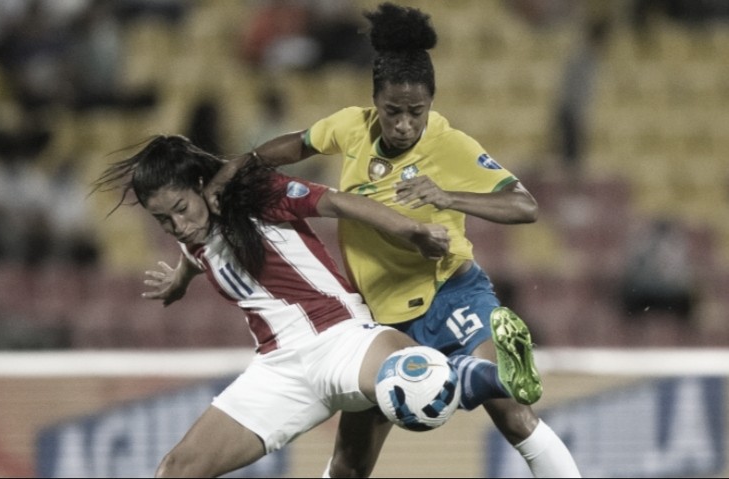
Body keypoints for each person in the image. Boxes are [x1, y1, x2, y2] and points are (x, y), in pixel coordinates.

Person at [204, 3, 581, 478]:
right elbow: (298, 144)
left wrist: (448, 196)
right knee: (349, 463)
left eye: (416, 113)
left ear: (431, 106)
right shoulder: (351, 126)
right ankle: (472, 376)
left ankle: (482, 376)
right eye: (392, 112)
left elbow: (525, 206)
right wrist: (243, 162)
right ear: (375, 104)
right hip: (378, 321)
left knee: (514, 414)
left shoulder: (449, 145)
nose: (404, 124)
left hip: (451, 294)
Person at [92, 134, 541, 478]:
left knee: (411, 385)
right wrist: (179, 280)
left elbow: (340, 202)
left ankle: (495, 374)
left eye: (180, 209)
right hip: (278, 372)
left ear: (200, 184)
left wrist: (412, 231)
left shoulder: (257, 195)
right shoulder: (192, 237)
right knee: (176, 470)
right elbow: (198, 253)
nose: (177, 225)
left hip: (339, 338)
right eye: (162, 220)